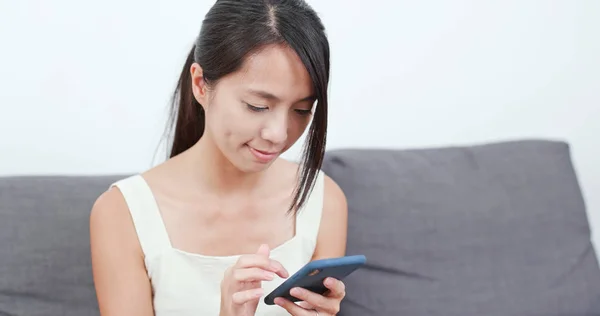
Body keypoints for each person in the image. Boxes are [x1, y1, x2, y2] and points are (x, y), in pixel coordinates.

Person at [89, 0, 348, 315]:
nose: (279, 134)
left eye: (302, 109)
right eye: (258, 106)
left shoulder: (323, 201)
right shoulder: (122, 214)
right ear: (200, 84)